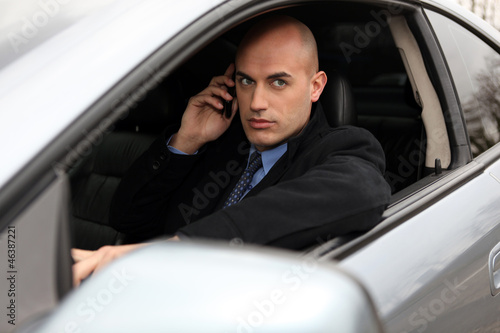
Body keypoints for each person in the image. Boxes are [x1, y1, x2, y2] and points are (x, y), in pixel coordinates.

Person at [72, 15, 391, 286]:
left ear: (316, 87)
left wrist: (178, 249)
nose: (257, 103)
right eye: (246, 81)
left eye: (278, 83)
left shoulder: (340, 148)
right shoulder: (219, 145)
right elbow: (127, 218)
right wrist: (187, 141)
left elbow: (361, 190)